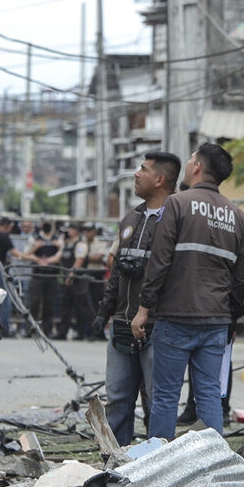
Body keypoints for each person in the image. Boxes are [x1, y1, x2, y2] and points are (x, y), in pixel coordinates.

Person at [132, 143, 244, 439]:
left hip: (176, 316)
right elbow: (240, 278)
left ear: (197, 167)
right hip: (216, 320)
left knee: (166, 396)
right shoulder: (237, 215)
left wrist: (144, 309)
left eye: (190, 159)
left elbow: (159, 261)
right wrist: (232, 320)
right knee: (209, 395)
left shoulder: (177, 203)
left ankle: (158, 464)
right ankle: (212, 464)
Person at [93, 151, 180, 445]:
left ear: (160, 179)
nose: (136, 174)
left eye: (142, 169)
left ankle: (155, 460)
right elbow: (117, 271)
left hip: (158, 327)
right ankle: (116, 461)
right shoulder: (131, 218)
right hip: (122, 323)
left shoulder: (177, 216)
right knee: (117, 397)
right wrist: (103, 313)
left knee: (156, 401)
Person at [0, 218, 30, 336]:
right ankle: (3, 329)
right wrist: (32, 258)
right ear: (7, 226)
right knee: (4, 300)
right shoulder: (4, 237)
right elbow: (16, 254)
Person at [54, 224, 93, 340]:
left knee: (83, 308)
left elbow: (79, 260)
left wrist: (71, 275)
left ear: (76, 231)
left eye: (71, 229)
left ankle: (92, 333)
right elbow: (57, 257)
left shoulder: (80, 244)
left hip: (78, 281)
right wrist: (43, 261)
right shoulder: (66, 244)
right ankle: (62, 333)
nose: (69, 231)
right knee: (65, 308)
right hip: (67, 281)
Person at [27, 222, 62, 335]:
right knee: (34, 303)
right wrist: (38, 257)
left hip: (52, 275)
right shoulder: (35, 237)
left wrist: (48, 261)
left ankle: (47, 330)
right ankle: (31, 329)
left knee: (49, 304)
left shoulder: (57, 239)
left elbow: (60, 255)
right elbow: (27, 253)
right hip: (37, 275)